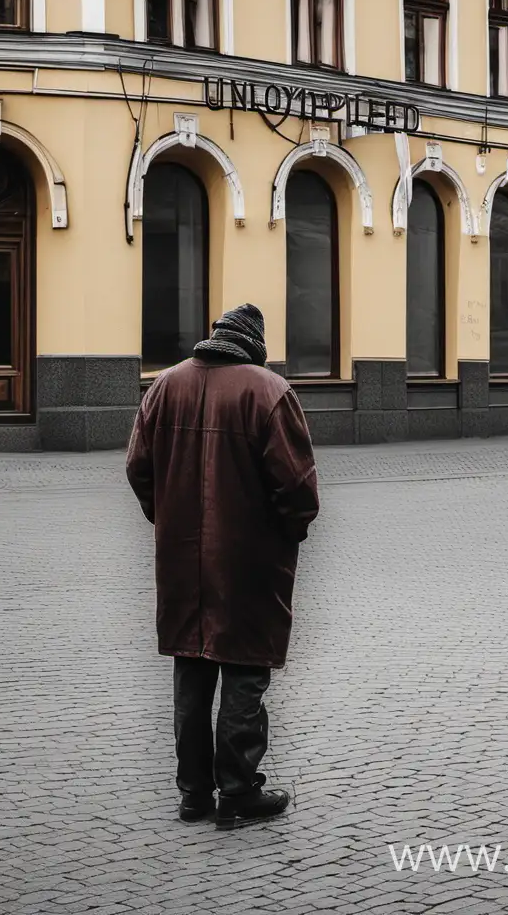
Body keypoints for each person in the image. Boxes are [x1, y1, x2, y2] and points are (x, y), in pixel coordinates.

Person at [125, 304, 319, 829]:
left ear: (213, 339)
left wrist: (165, 518)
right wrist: (290, 532)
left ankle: (193, 794)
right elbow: (297, 488)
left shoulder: (164, 387)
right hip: (249, 559)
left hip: (182, 557)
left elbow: (138, 468)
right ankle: (237, 791)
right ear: (255, 344)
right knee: (244, 667)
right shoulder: (269, 391)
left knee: (191, 665)